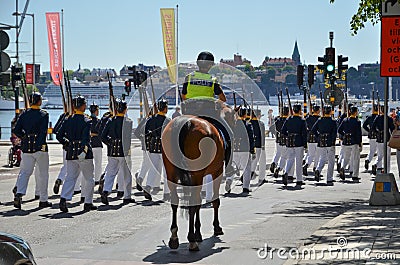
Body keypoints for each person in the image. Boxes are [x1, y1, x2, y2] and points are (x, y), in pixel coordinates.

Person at [181, 51, 234, 176]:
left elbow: (184, 96)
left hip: (190, 113)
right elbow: (223, 99)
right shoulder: (212, 79)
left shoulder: (189, 77)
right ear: (210, 65)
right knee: (229, 134)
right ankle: (228, 165)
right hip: (208, 114)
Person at [56, 96, 97, 212]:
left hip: (71, 152)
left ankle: (63, 198)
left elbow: (59, 135)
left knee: (70, 177)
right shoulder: (87, 120)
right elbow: (86, 138)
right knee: (89, 179)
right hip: (83, 153)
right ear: (83, 106)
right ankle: (88, 202)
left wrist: (67, 143)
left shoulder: (68, 119)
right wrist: (83, 150)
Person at [13, 92, 52, 209]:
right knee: (43, 174)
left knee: (25, 172)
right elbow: (43, 132)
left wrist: (24, 138)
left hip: (26, 147)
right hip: (40, 148)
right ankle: (43, 199)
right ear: (39, 101)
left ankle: (19, 193)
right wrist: (38, 144)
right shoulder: (43, 114)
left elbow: (16, 130)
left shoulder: (24, 114)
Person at [100, 98, 135, 205]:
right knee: (127, 175)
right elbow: (128, 138)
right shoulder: (128, 122)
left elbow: (103, 135)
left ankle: (106, 191)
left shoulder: (111, 120)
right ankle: (127, 196)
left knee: (110, 173)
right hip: (124, 152)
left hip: (112, 151)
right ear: (125, 110)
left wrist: (110, 144)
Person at [142, 98, 171, 201]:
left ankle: (148, 186)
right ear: (165, 108)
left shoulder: (151, 119)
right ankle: (167, 193)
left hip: (153, 147)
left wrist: (148, 147)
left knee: (153, 169)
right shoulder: (168, 121)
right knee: (167, 171)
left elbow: (146, 135)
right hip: (164, 148)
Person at [225, 105, 255, 194]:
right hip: (245, 148)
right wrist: (252, 150)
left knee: (234, 166)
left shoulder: (232, 124)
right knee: (246, 168)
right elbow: (251, 138)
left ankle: (229, 179)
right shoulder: (247, 125)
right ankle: (245, 187)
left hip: (235, 148)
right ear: (245, 115)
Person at [280, 104, 307, 186]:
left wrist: (289, 135)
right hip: (299, 141)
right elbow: (304, 133)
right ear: (299, 110)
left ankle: (286, 172)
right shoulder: (302, 120)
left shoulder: (288, 119)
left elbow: (283, 131)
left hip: (290, 141)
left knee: (290, 159)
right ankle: (299, 179)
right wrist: (305, 144)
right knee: (299, 162)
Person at [311, 106, 337, 184]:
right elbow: (334, 133)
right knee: (331, 161)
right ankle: (329, 178)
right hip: (329, 142)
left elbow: (313, 130)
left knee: (322, 158)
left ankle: (318, 170)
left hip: (321, 141)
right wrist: (333, 141)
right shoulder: (333, 121)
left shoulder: (319, 120)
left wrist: (318, 136)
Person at [337, 106, 362, 181]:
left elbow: (339, 130)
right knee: (355, 159)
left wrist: (344, 135)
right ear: (355, 112)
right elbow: (358, 133)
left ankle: (343, 167)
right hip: (354, 142)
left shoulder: (345, 120)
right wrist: (359, 142)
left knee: (346, 157)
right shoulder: (357, 121)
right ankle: (355, 175)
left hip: (346, 141)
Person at [371, 105, 395, 175]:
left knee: (380, 155)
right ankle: (387, 171)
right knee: (387, 157)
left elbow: (372, 128)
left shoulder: (377, 118)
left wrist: (377, 133)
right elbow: (392, 129)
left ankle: (375, 164)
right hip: (387, 138)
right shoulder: (389, 119)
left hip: (379, 138)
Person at [303, 105, 321, 176]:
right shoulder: (319, 119)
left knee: (311, 155)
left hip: (310, 138)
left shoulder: (308, 118)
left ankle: (306, 165)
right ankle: (315, 168)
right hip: (317, 138)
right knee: (317, 155)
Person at [89, 103, 104, 185]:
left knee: (89, 163)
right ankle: (97, 179)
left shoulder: (87, 120)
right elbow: (101, 133)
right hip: (97, 144)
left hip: (90, 144)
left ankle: (90, 178)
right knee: (98, 163)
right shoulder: (99, 121)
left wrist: (91, 134)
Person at [362, 105, 379, 171]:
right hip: (378, 136)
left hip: (371, 136)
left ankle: (367, 160)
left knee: (372, 150)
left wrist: (369, 131)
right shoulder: (379, 117)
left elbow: (364, 125)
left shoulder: (369, 117)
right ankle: (377, 165)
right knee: (379, 152)